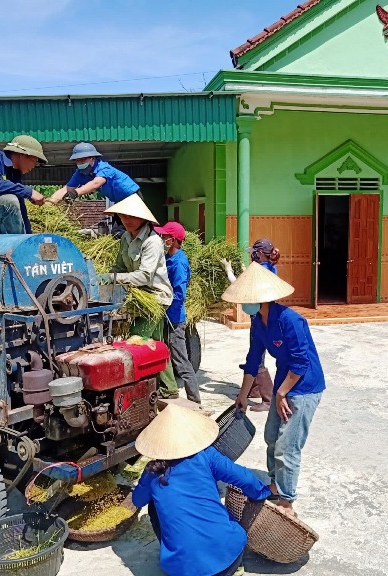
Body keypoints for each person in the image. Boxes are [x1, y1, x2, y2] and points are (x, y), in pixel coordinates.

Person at [224, 263, 325, 517]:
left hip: (304, 387)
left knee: (287, 445)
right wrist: (242, 395)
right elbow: (253, 360)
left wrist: (281, 394)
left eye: (246, 300)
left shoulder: (291, 320)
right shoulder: (259, 322)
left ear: (260, 299)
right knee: (271, 435)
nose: (243, 305)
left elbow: (301, 364)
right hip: (284, 381)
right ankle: (276, 483)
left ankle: (287, 501)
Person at [132, 404, 270, 576]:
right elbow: (246, 479)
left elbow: (137, 501)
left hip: (183, 571)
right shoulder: (206, 455)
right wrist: (262, 493)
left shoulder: (152, 472)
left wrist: (146, 482)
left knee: (153, 505)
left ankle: (183, 555)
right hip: (228, 561)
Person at [99, 194, 179, 399]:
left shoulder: (153, 241)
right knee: (156, 341)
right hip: (138, 295)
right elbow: (119, 267)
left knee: (137, 339)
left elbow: (144, 276)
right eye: (123, 216)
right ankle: (170, 388)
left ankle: (138, 390)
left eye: (131, 216)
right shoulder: (125, 238)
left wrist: (114, 278)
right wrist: (104, 278)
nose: (126, 220)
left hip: (156, 298)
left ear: (143, 218)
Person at [221, 238, 282, 412]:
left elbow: (241, 288)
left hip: (259, 318)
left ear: (260, 253)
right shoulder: (270, 267)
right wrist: (245, 271)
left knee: (257, 356)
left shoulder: (261, 270)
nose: (251, 255)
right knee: (256, 353)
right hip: (264, 315)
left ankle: (268, 399)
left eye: (254, 253)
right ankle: (254, 390)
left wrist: (228, 270)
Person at [153, 221, 202, 405]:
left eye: (165, 236)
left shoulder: (179, 262)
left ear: (173, 240)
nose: (162, 238)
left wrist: (162, 305)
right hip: (167, 316)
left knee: (181, 361)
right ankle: (168, 389)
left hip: (174, 318)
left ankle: (195, 401)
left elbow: (179, 294)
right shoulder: (168, 258)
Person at [46, 142, 140, 206]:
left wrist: (75, 193)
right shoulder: (80, 173)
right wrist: (50, 203)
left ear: (92, 158)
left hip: (133, 197)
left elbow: (95, 183)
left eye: (83, 159)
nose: (80, 163)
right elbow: (66, 189)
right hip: (118, 202)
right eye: (77, 160)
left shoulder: (104, 168)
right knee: (120, 228)